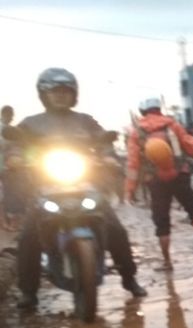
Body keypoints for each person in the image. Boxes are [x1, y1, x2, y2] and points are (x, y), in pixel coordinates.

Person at [6, 68, 147, 309]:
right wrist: (15, 157)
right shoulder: (30, 124)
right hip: (45, 187)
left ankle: (129, 278)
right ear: (43, 94)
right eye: (55, 91)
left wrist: (109, 157)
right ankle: (29, 292)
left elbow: (103, 142)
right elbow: (15, 145)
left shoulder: (85, 121)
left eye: (65, 91)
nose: (61, 95)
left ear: (74, 94)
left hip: (85, 184)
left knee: (115, 229)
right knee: (28, 237)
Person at [125, 97, 193, 271]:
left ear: (142, 112)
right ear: (159, 109)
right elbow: (192, 146)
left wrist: (129, 190)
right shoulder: (172, 125)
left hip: (155, 181)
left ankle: (167, 262)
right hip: (180, 175)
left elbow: (133, 164)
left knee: (161, 221)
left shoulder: (136, 132)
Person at [0, 105, 25, 231]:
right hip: (4, 166)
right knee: (2, 197)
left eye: (11, 115)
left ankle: (13, 223)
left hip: (10, 167)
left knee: (12, 195)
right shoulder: (2, 129)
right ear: (3, 114)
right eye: (8, 114)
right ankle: (4, 223)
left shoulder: (13, 130)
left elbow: (19, 147)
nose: (10, 117)